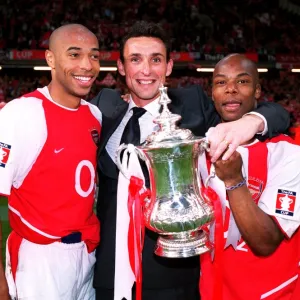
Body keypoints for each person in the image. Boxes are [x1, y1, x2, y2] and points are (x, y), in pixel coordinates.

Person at [91, 21, 290, 300]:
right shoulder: (106, 105)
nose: (146, 70)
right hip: (108, 273)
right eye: (135, 60)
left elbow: (277, 113)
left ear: (169, 67)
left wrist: (252, 122)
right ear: (122, 68)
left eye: (156, 60)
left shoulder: (192, 105)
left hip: (173, 273)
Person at [0, 24, 102, 300]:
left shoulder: (94, 115)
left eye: (94, 56)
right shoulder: (21, 114)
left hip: (86, 254)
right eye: (74, 54)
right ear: (50, 59)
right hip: (40, 260)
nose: (87, 65)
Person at [199, 54, 300, 300]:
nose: (231, 89)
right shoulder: (199, 150)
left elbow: (266, 241)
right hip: (212, 292)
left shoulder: (288, 154)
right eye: (221, 83)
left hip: (273, 293)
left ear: (257, 91)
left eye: (242, 82)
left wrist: (234, 180)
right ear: (212, 93)